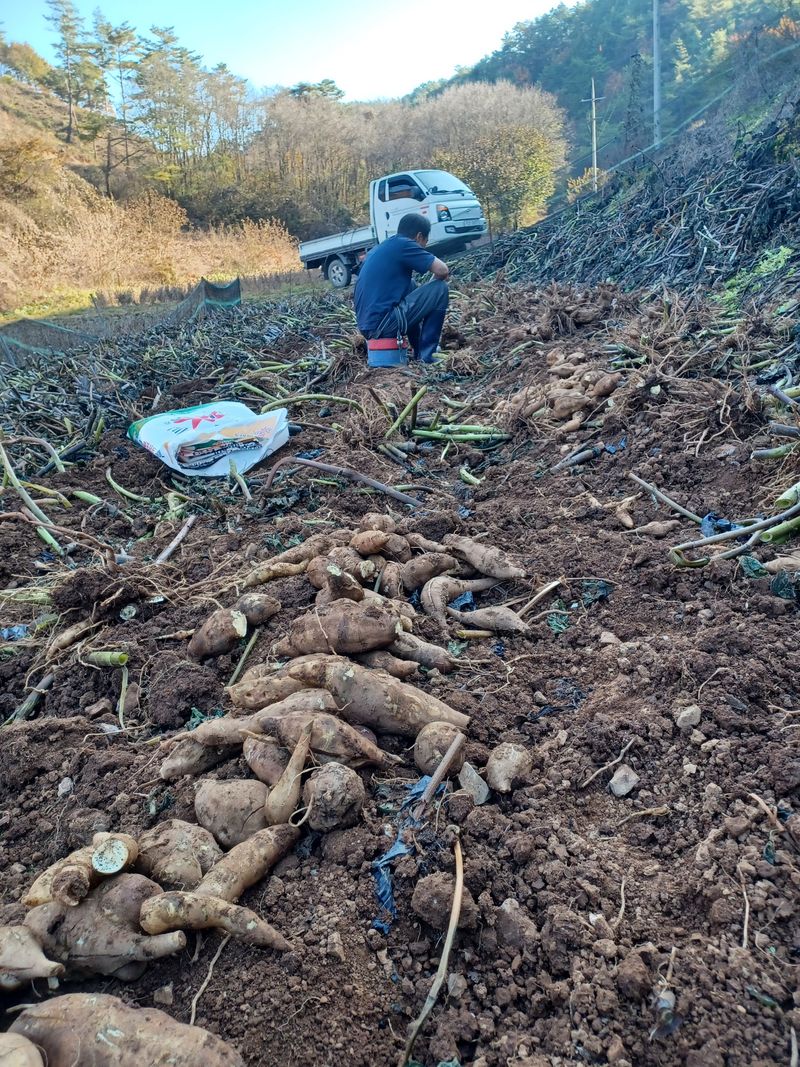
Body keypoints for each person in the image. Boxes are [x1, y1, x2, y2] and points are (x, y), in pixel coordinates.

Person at [354, 212, 449, 364]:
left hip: (370, 328)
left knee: (409, 285)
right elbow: (442, 270)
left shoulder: (384, 246)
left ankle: (419, 349)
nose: (424, 247)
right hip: (383, 326)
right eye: (425, 242)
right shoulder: (405, 244)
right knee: (440, 289)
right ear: (419, 237)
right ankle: (427, 355)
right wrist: (431, 293)